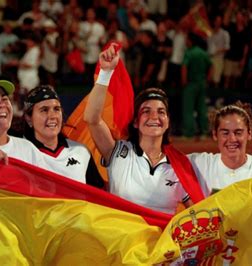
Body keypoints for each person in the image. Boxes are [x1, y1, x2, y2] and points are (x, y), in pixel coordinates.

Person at [84, 44, 192, 214]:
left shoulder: (180, 166)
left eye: (161, 112)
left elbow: (197, 213)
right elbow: (92, 119)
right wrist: (105, 74)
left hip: (162, 240)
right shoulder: (118, 152)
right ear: (135, 122)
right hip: (122, 238)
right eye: (146, 111)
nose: (154, 117)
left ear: (168, 121)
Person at [23, 85, 105, 188]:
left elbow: (99, 195)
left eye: (56, 109)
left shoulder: (81, 152)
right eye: (44, 110)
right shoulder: (20, 152)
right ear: (29, 119)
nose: (52, 116)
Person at [181, 32, 212, 139]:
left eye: (186, 39)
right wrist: (208, 79)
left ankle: (189, 133)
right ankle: (204, 132)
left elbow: (184, 67)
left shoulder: (188, 53)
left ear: (190, 41)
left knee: (188, 109)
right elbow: (211, 66)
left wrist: (184, 81)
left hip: (191, 84)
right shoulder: (203, 53)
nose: (185, 42)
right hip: (202, 84)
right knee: (202, 108)